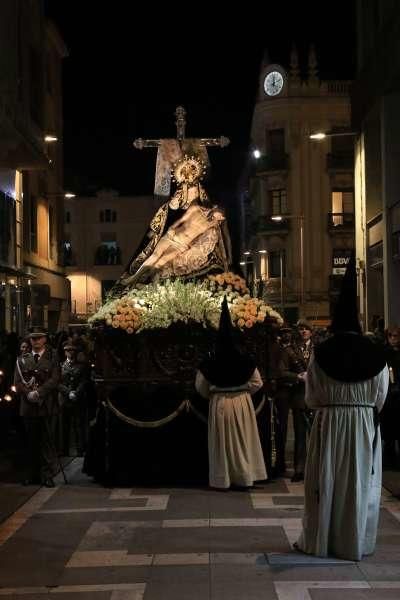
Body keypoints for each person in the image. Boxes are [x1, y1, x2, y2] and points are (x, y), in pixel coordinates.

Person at [295, 252, 389, 560]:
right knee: (359, 483)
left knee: (326, 482)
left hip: (329, 423)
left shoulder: (321, 353)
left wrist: (331, 405)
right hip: (363, 424)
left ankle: (322, 540)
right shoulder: (376, 354)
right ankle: (354, 542)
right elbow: (380, 398)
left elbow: (311, 396)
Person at [195, 297, 267, 489]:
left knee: (223, 444)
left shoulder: (209, 360)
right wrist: (242, 391)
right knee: (243, 441)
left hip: (219, 402)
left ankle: (223, 478)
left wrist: (214, 394)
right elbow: (257, 383)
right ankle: (244, 476)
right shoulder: (245, 359)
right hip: (242, 402)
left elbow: (200, 386)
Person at [14, 327, 61, 487]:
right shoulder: (22, 359)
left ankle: (47, 475)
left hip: (46, 405)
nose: (35, 341)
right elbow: (17, 382)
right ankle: (32, 475)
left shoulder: (52, 356)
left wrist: (39, 392)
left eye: (39, 338)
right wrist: (28, 393)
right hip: (28, 407)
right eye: (33, 338)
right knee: (30, 442)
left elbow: (55, 379)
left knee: (47, 441)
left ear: (45, 339)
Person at [59, 341, 88, 456]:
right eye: (67, 350)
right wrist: (68, 392)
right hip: (64, 399)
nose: (70, 352)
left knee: (78, 425)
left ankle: (80, 449)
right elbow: (57, 382)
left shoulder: (81, 366)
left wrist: (76, 392)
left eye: (72, 350)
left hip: (77, 398)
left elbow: (84, 381)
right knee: (64, 426)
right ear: (64, 352)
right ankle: (63, 450)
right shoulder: (60, 366)